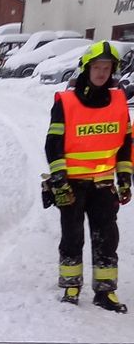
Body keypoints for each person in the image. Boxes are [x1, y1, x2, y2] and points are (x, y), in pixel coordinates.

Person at [46, 41, 133, 312]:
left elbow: (126, 144)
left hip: (104, 184)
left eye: (106, 68)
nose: (101, 73)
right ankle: (71, 285)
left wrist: (126, 178)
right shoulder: (66, 102)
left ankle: (105, 292)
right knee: (72, 236)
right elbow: (53, 143)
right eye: (97, 67)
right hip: (71, 183)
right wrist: (59, 177)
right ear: (87, 68)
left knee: (107, 237)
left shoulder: (119, 101)